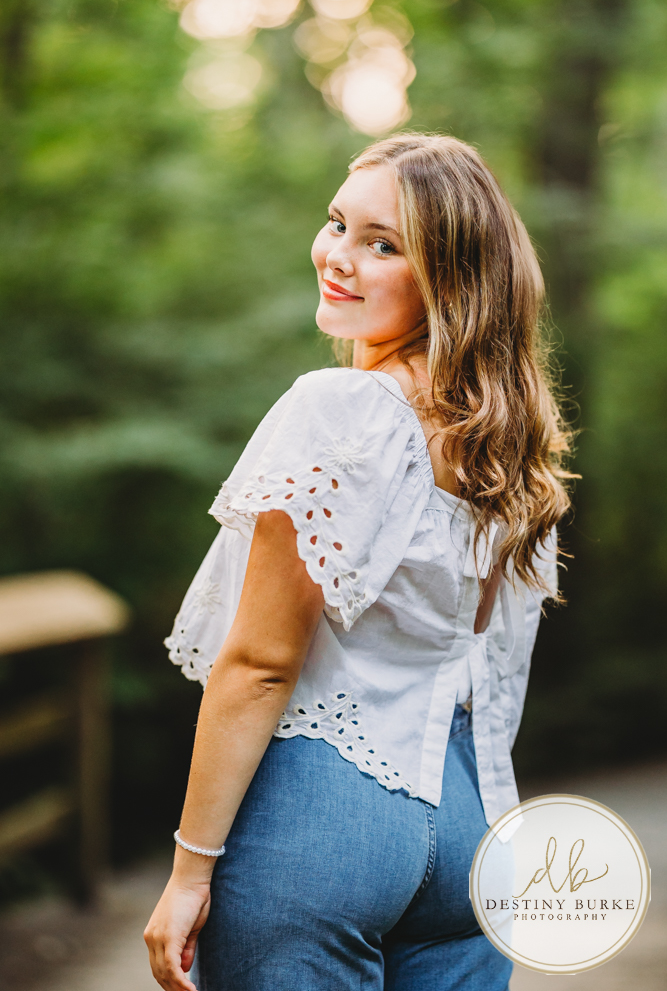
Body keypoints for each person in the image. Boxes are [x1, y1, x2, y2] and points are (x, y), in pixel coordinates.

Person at [144, 133, 573, 991]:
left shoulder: (341, 408)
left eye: (382, 245)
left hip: (323, 814)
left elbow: (262, 663)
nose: (338, 257)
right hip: (470, 826)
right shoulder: (508, 451)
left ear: (448, 280)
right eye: (338, 224)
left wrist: (191, 870)